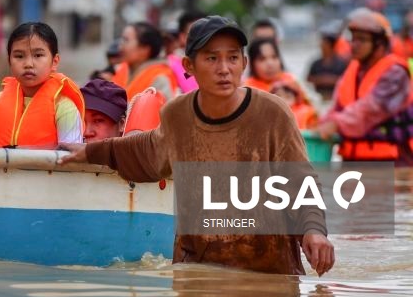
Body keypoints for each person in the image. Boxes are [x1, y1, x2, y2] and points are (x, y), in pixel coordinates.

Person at [59, 16, 335, 276]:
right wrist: (91, 151)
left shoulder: (273, 113)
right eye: (212, 58)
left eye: (232, 58)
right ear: (189, 66)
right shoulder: (178, 114)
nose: (224, 69)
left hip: (268, 269)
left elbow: (300, 182)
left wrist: (314, 230)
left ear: (244, 63)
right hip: (200, 269)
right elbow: (147, 151)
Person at [315, 8, 413, 164]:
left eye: (361, 40)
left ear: (380, 44)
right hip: (353, 161)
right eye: (353, 39)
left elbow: (372, 109)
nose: (354, 44)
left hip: (394, 162)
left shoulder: (395, 73)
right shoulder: (352, 71)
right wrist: (321, 124)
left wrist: (335, 123)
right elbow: (336, 107)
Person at [0, 22, 84, 148]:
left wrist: (20, 151)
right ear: (9, 61)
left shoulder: (64, 108)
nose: (28, 64)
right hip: (2, 168)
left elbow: (71, 156)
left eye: (38, 55)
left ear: (54, 61)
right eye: (19, 56)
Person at [112, 21, 177, 101]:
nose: (120, 46)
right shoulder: (122, 68)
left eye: (126, 40)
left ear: (145, 49)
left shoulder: (160, 78)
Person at [306, 21, 350, 101]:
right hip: (318, 97)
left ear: (331, 45)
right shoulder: (316, 63)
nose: (321, 45)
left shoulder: (341, 63)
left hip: (336, 98)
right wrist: (320, 79)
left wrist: (332, 80)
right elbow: (307, 79)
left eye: (324, 43)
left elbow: (347, 80)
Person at [167, 11, 205, 94]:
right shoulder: (169, 65)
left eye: (206, 32)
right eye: (195, 33)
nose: (202, 37)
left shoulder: (221, 62)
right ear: (182, 37)